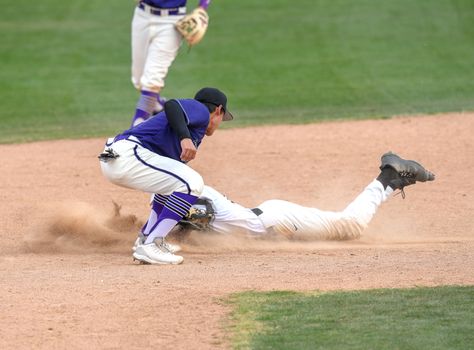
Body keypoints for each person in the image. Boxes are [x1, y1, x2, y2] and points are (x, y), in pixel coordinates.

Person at [99, 87, 233, 265]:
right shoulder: (200, 110)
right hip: (127, 155)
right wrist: (185, 137)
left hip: (118, 159)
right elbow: (172, 106)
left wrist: (185, 135)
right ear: (218, 110)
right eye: (222, 118)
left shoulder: (191, 128)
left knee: (173, 186)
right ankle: (152, 244)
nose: (219, 122)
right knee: (192, 182)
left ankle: (148, 237)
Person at [170, 152, 435, 240]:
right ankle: (391, 178)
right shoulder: (181, 186)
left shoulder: (190, 191)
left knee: (350, 227)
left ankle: (388, 177)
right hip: (272, 220)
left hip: (278, 220)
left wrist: (169, 231)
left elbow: (198, 215)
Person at [130, 0, 212, 127]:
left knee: (152, 78)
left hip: (171, 22)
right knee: (139, 78)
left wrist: (202, 7)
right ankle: (158, 106)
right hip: (142, 15)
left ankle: (136, 129)